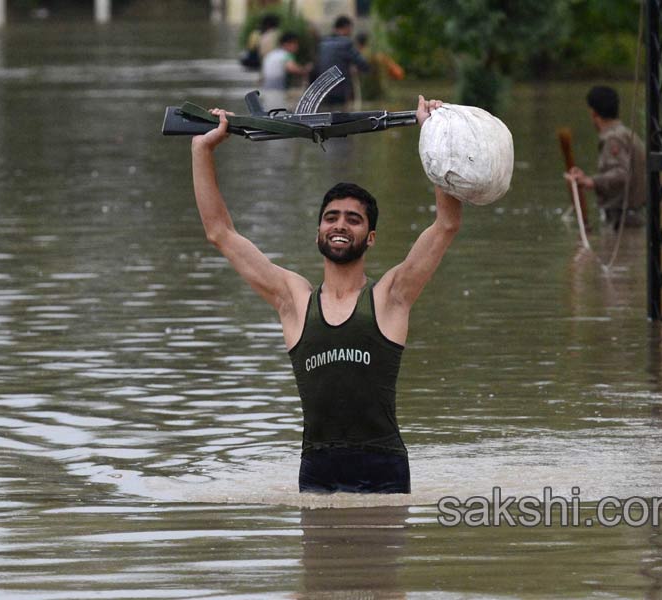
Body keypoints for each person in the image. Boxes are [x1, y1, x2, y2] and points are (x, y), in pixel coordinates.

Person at [190, 96, 462, 494]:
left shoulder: (391, 296)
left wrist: (434, 135)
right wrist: (202, 150)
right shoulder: (293, 300)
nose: (340, 225)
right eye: (331, 217)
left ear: (369, 238)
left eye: (353, 219)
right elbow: (220, 233)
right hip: (317, 468)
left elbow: (446, 224)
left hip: (382, 467)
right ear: (317, 231)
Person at [568, 86, 647, 228]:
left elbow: (622, 173)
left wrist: (591, 181)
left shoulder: (613, 139)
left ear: (593, 113)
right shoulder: (628, 134)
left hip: (624, 223)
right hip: (633, 219)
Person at [310, 15, 370, 106]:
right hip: (338, 91)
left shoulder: (323, 44)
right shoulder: (345, 43)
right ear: (346, 27)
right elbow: (363, 64)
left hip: (321, 91)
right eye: (350, 29)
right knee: (340, 116)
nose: (351, 32)